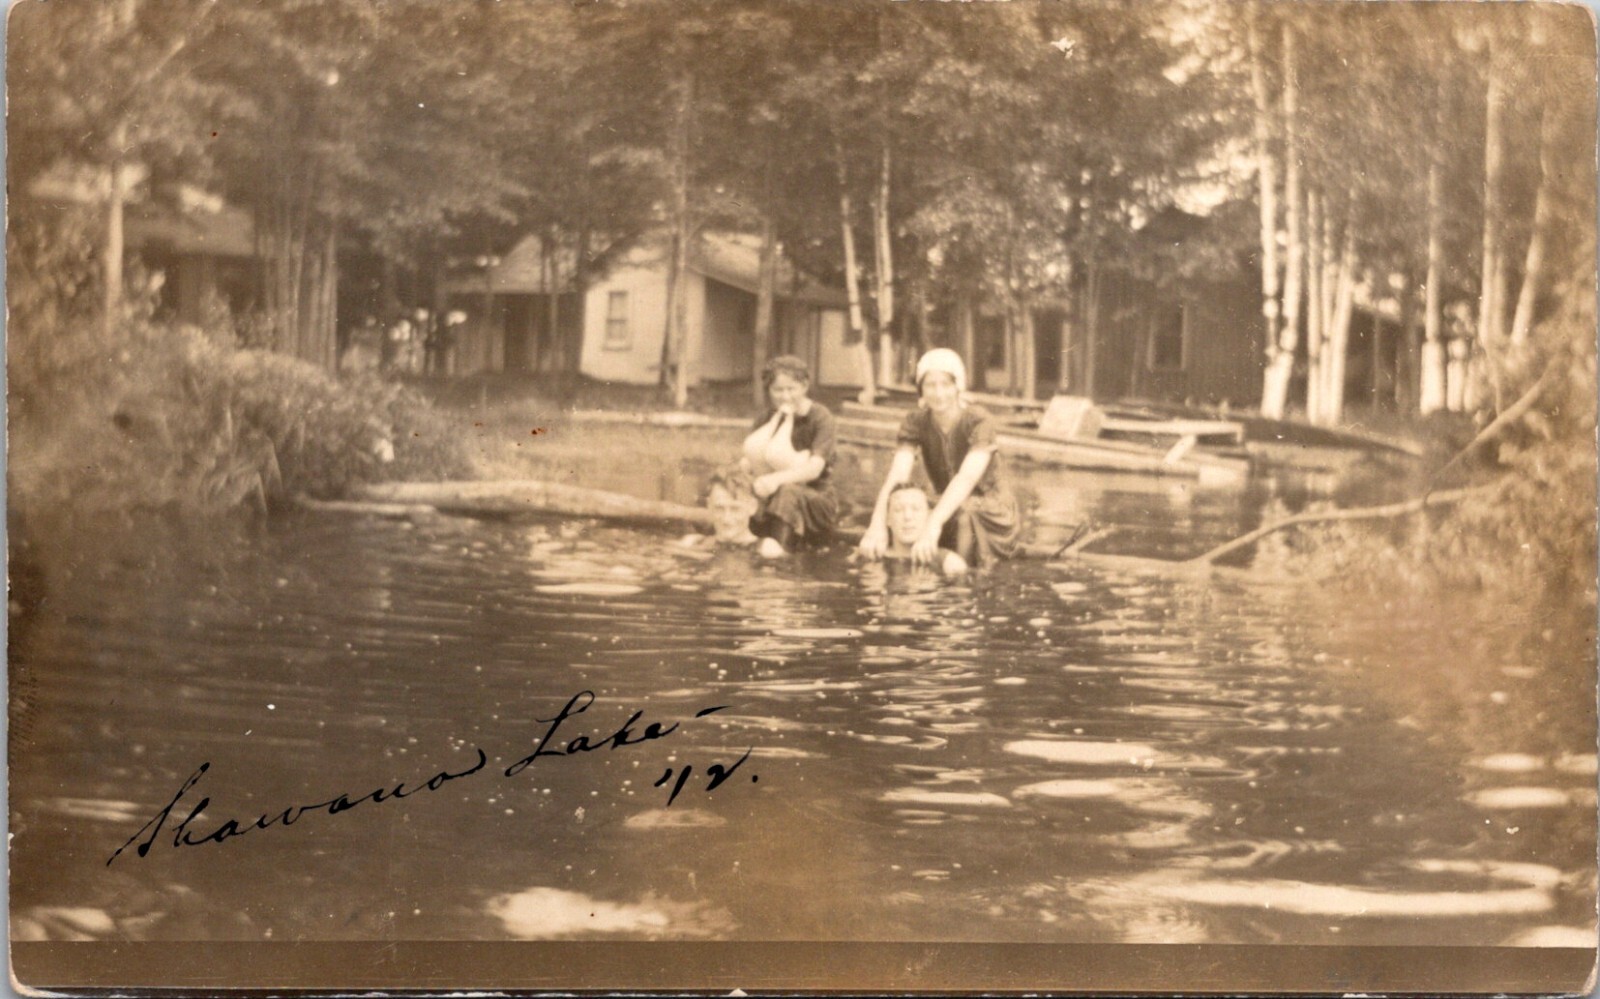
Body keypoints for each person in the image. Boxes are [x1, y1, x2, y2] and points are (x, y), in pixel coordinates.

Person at [858, 348, 1022, 568]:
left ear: (958, 387)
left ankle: (961, 581)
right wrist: (877, 524)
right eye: (930, 385)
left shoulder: (978, 421)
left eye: (946, 384)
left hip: (991, 511)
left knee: (965, 512)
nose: (938, 393)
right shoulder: (916, 421)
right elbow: (897, 476)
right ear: (921, 390)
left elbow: (966, 478)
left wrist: (932, 525)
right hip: (947, 502)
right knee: (907, 505)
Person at [741, 355, 840, 558]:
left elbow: (814, 469)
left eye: (791, 389)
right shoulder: (767, 418)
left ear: (804, 386)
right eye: (778, 390)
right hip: (772, 493)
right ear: (769, 390)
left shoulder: (820, 417)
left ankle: (778, 560)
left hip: (816, 498)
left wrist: (775, 479)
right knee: (737, 490)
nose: (785, 396)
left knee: (787, 492)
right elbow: (749, 460)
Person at [883, 483, 967, 575]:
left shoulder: (947, 562)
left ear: (929, 517)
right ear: (888, 519)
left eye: (916, 509)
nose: (907, 517)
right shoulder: (875, 556)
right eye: (898, 510)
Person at [680, 465, 761, 550]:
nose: (726, 519)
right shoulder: (696, 544)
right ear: (709, 505)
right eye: (719, 508)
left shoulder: (763, 549)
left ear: (753, 507)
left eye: (735, 509)